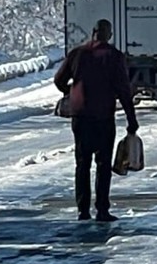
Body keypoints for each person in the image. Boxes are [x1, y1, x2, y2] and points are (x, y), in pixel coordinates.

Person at [54, 19, 139, 222]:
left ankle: (82, 210)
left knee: (82, 164)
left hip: (80, 117)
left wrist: (72, 92)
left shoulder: (77, 54)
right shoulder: (114, 56)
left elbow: (59, 80)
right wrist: (131, 119)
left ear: (93, 32)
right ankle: (102, 210)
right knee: (103, 164)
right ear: (108, 35)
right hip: (103, 117)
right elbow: (124, 91)